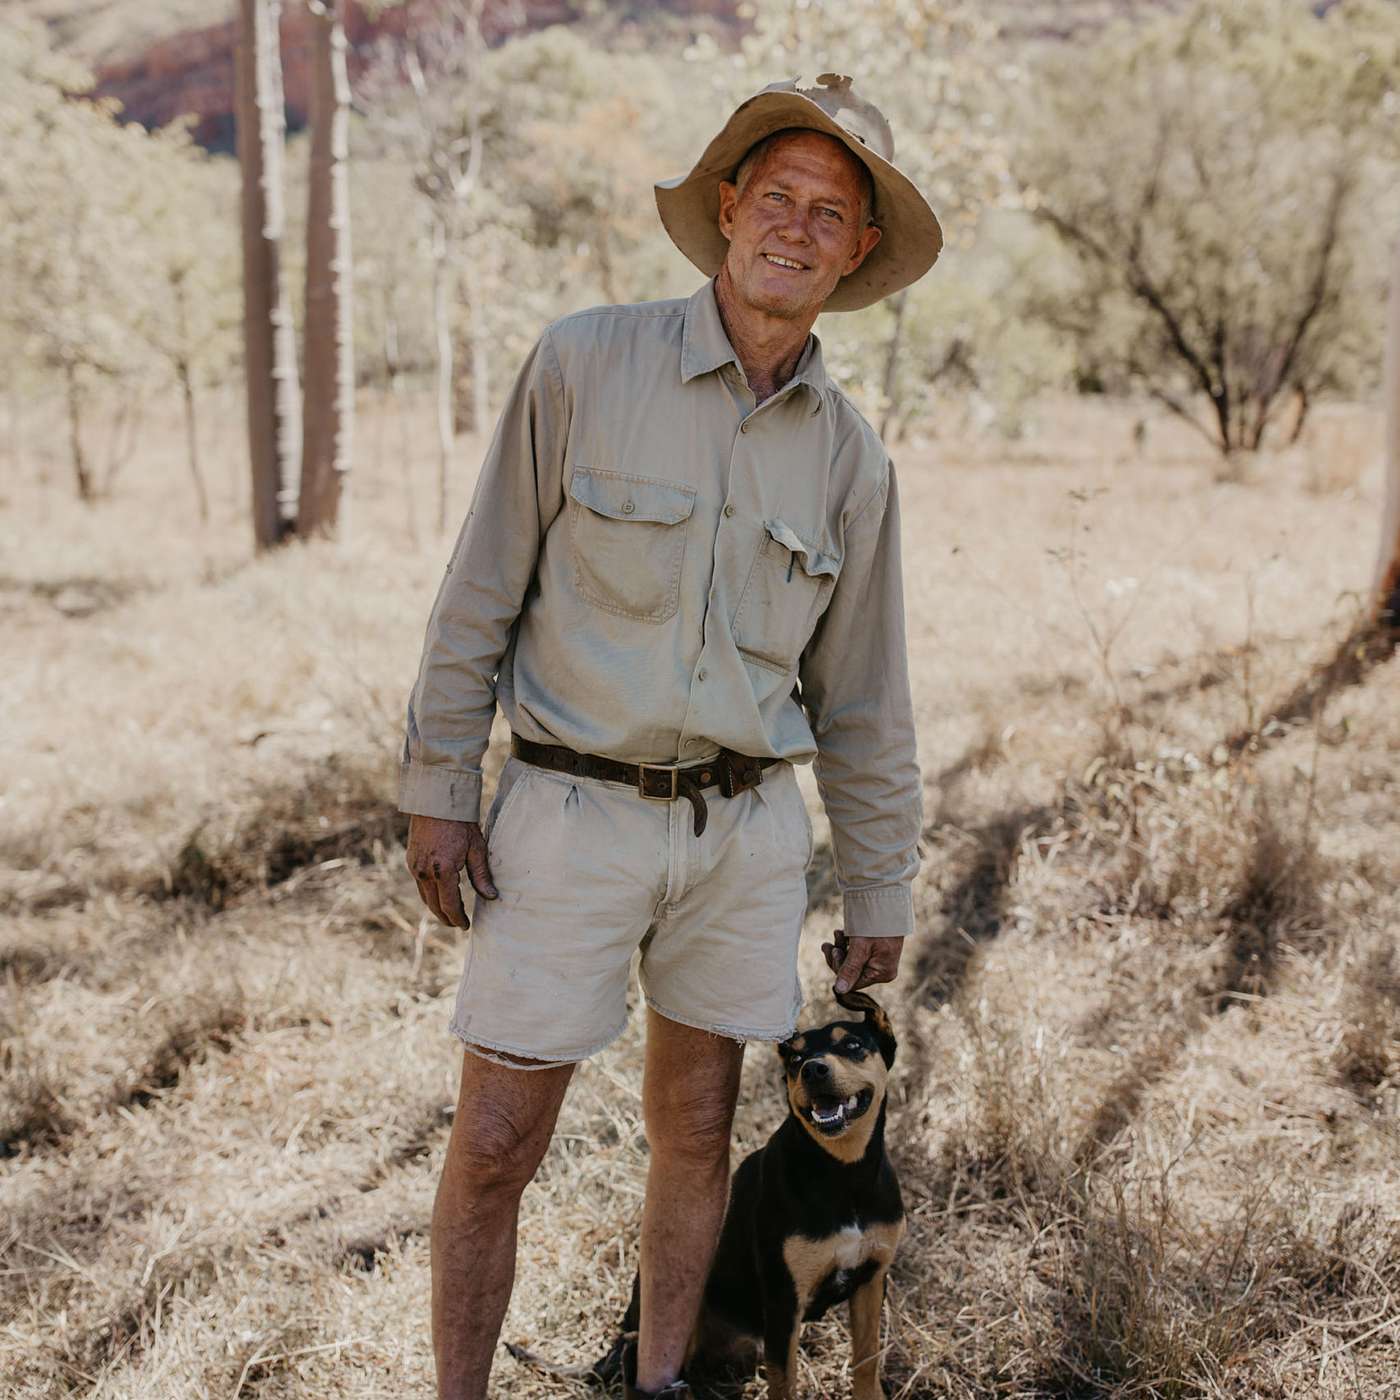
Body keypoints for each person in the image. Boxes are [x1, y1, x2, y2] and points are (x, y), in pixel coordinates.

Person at [399, 73, 944, 1400]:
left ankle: (656, 1387)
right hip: (567, 815)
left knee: (696, 1133)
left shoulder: (851, 459)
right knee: (497, 1141)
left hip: (743, 836)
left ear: (858, 251)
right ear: (728, 208)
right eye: (778, 197)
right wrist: (439, 784)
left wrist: (881, 882)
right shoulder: (586, 363)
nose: (798, 228)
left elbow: (864, 699)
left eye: (830, 213)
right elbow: (479, 589)